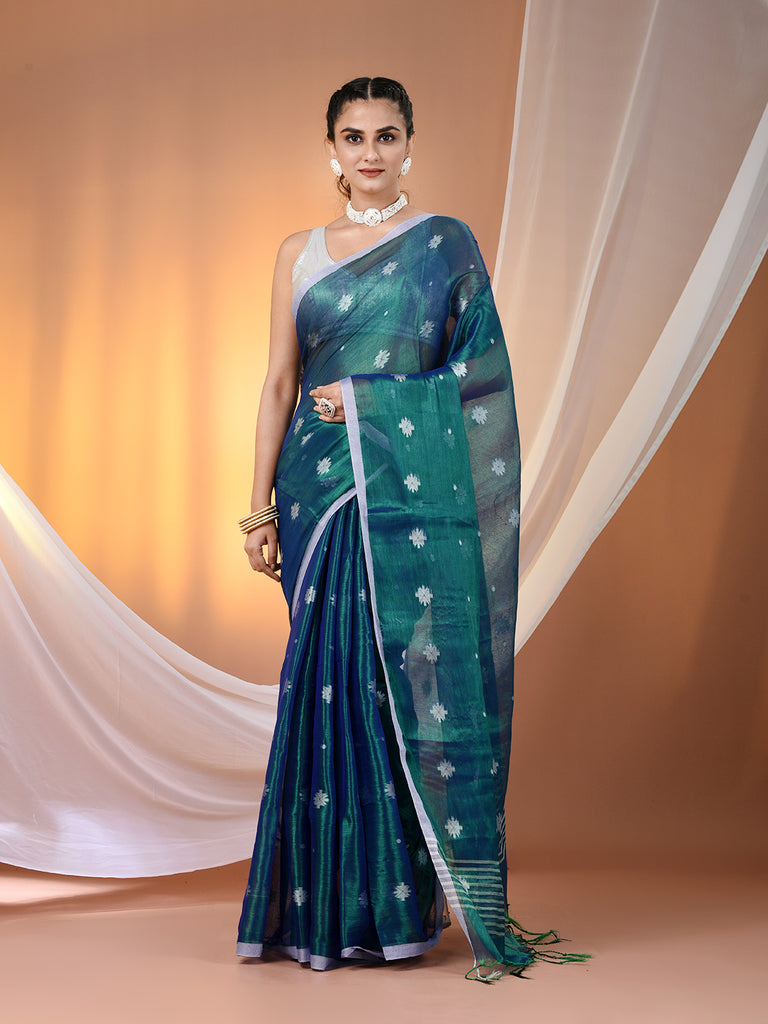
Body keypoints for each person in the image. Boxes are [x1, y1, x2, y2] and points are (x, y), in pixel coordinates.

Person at [236, 77, 579, 981]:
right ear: (331, 149)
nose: (370, 153)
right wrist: (259, 504)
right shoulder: (298, 252)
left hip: (403, 486)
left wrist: (367, 398)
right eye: (353, 137)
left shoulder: (445, 245)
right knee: (324, 687)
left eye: (386, 135)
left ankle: (393, 910)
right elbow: (278, 382)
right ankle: (320, 911)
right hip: (315, 489)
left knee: (395, 685)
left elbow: (482, 376)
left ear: (409, 145)